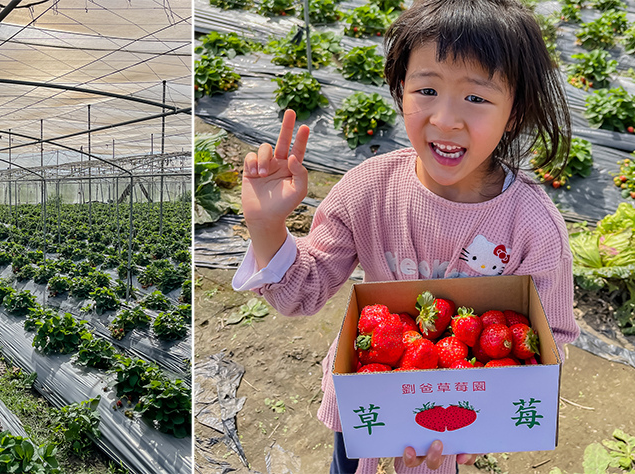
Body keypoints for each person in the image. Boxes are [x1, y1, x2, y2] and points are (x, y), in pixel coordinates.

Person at [231, 0, 581, 472]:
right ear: (400, 92)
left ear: (514, 113)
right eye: (427, 89)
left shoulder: (532, 226)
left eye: (476, 98)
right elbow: (303, 293)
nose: (445, 119)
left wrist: (492, 418)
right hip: (367, 402)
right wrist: (267, 225)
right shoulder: (367, 190)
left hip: (460, 413)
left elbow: (551, 336)